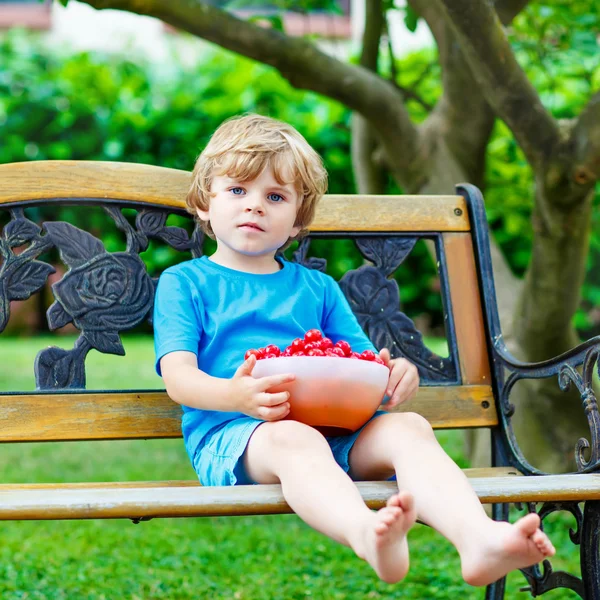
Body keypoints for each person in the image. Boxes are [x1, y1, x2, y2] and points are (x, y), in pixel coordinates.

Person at [154, 113, 555, 586]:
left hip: (333, 431)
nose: (254, 207)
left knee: (410, 427)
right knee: (294, 439)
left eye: (275, 197)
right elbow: (179, 378)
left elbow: (363, 365)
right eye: (238, 191)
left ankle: (479, 540)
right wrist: (236, 397)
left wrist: (393, 377)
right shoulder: (186, 282)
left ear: (298, 219)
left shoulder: (317, 288)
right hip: (237, 435)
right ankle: (366, 534)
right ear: (204, 203)